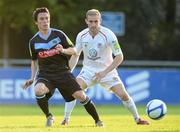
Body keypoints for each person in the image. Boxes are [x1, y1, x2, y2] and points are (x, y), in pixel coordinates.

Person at [59, 9, 150, 125]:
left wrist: (104, 72)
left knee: (123, 95)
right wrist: (69, 72)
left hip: (107, 71)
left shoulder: (109, 34)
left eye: (96, 21)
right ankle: (66, 119)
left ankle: (138, 119)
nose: (93, 24)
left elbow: (119, 56)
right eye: (90, 21)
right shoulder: (81, 35)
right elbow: (76, 54)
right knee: (74, 90)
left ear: (100, 21)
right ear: (86, 21)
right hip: (88, 71)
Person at [22, 7, 103, 127]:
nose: (45, 21)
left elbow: (74, 50)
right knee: (38, 90)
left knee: (80, 96)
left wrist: (63, 50)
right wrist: (32, 77)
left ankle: (98, 121)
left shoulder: (58, 34)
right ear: (36, 22)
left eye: (47, 18)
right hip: (45, 74)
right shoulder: (33, 41)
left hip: (63, 72)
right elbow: (34, 61)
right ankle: (49, 116)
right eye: (42, 19)